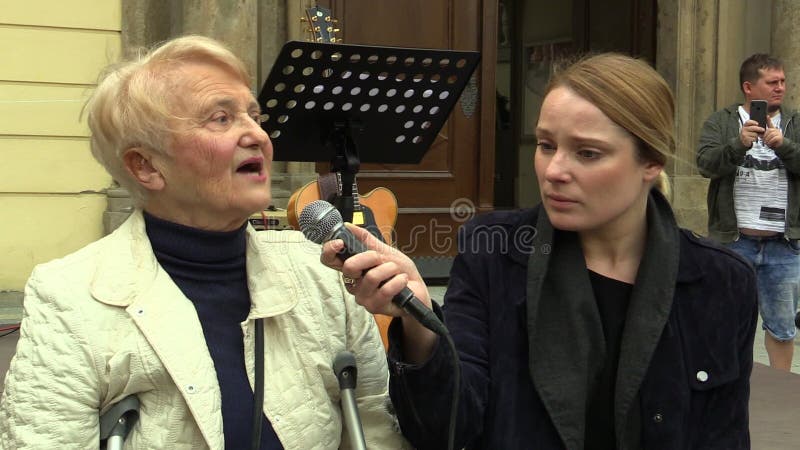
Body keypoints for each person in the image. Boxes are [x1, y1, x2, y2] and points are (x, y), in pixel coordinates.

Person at [322, 53, 758, 449]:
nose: (554, 171)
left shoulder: (721, 282)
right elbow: (448, 429)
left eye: (587, 153)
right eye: (546, 145)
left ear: (651, 162)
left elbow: (725, 435)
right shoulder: (492, 253)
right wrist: (421, 327)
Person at [0, 35, 409, 449]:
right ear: (146, 166)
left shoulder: (325, 275)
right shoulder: (69, 298)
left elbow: (379, 431)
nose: (258, 137)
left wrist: (421, 328)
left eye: (255, 116)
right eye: (220, 118)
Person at [697, 53, 800, 371]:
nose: (780, 88)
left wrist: (783, 146)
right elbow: (705, 164)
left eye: (782, 81)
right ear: (748, 87)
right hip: (734, 242)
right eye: (772, 82)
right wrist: (738, 144)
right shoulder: (721, 121)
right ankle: (726, 393)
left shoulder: (795, 123)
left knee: (782, 330)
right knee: (724, 324)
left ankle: (779, 397)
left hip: (783, 245)